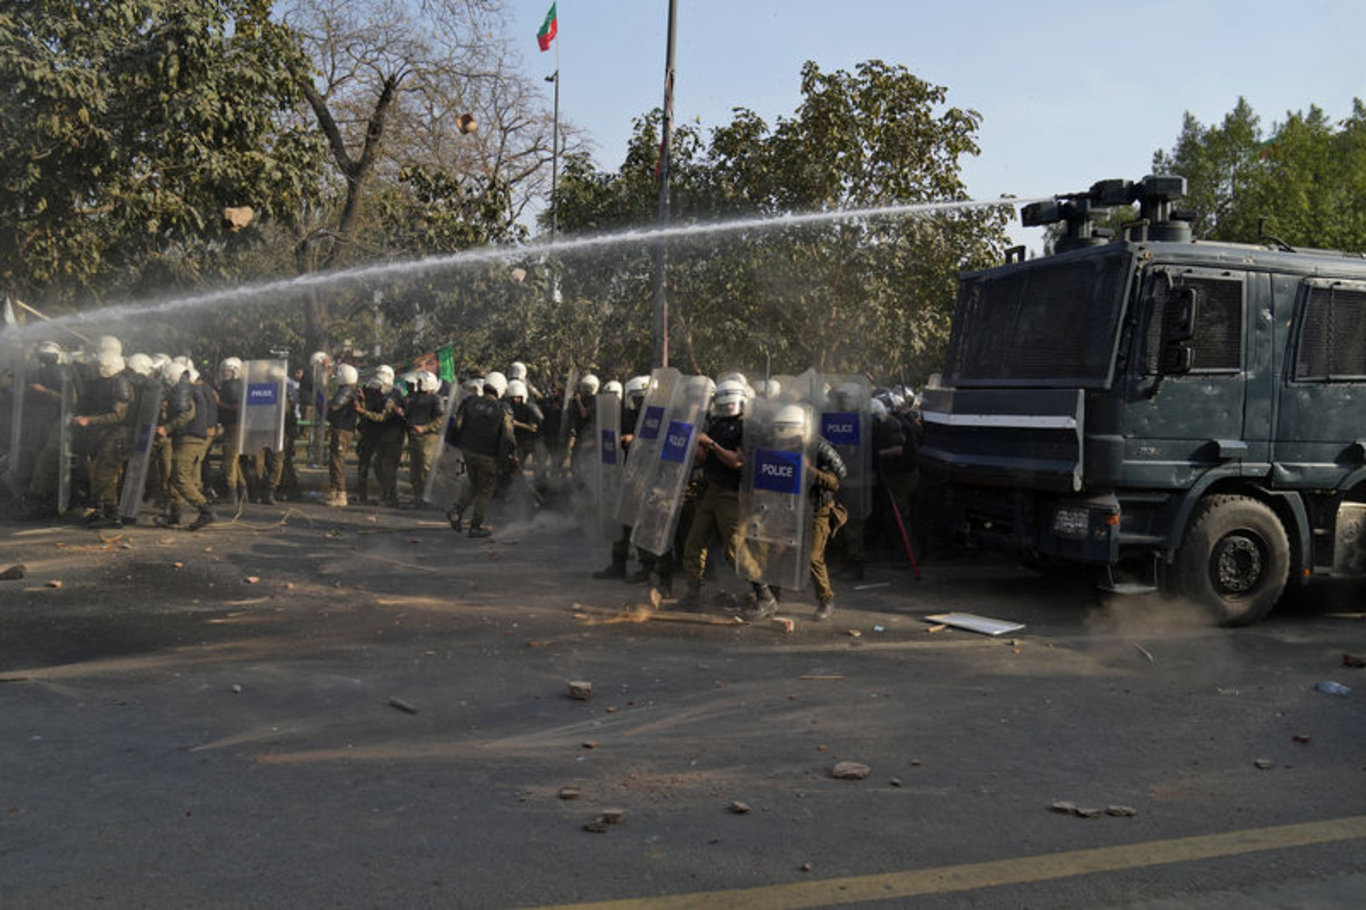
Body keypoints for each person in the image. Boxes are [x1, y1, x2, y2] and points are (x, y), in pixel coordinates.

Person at [746, 403, 848, 622]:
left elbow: (835, 482)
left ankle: (826, 599)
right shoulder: (780, 446)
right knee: (775, 549)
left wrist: (809, 471)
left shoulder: (819, 448)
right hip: (790, 507)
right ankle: (772, 597)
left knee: (813, 557)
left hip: (818, 509)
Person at [676, 377, 747, 611]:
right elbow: (705, 459)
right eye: (724, 401)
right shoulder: (715, 424)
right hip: (711, 489)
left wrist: (713, 444)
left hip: (730, 493)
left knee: (734, 549)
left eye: (732, 401)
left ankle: (763, 593)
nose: (728, 406)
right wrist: (695, 441)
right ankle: (694, 592)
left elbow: (738, 463)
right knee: (694, 543)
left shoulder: (745, 427)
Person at [446, 373, 516, 538]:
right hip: (488, 455)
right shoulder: (502, 409)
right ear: (499, 388)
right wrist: (505, 458)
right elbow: (508, 437)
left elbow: (457, 425)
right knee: (486, 489)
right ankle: (475, 526)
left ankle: (456, 510)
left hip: (468, 451)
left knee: (474, 483)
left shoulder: (468, 402)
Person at [73, 349, 135, 528]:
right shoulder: (112, 382)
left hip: (118, 435)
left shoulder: (121, 384)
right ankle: (102, 510)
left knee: (105, 474)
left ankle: (111, 513)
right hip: (109, 434)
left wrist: (89, 420)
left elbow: (118, 416)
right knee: (98, 472)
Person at [157, 361, 217, 530]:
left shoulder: (184, 390)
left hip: (189, 439)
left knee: (179, 477)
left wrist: (166, 428)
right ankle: (175, 515)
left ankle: (205, 510)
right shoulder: (193, 389)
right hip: (192, 439)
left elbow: (187, 414)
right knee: (177, 477)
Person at [402, 370, 443, 507]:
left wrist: (424, 428)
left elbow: (441, 419)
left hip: (428, 438)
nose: (417, 384)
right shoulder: (414, 398)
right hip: (414, 437)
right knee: (415, 469)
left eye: (420, 382)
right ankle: (418, 496)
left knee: (427, 468)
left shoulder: (435, 399)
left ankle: (430, 498)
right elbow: (410, 415)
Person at [325, 364, 360, 506]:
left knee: (337, 462)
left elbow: (334, 406)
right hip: (343, 429)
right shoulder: (350, 390)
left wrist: (326, 403)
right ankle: (334, 492)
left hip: (342, 430)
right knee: (335, 461)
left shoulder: (346, 391)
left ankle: (340, 494)